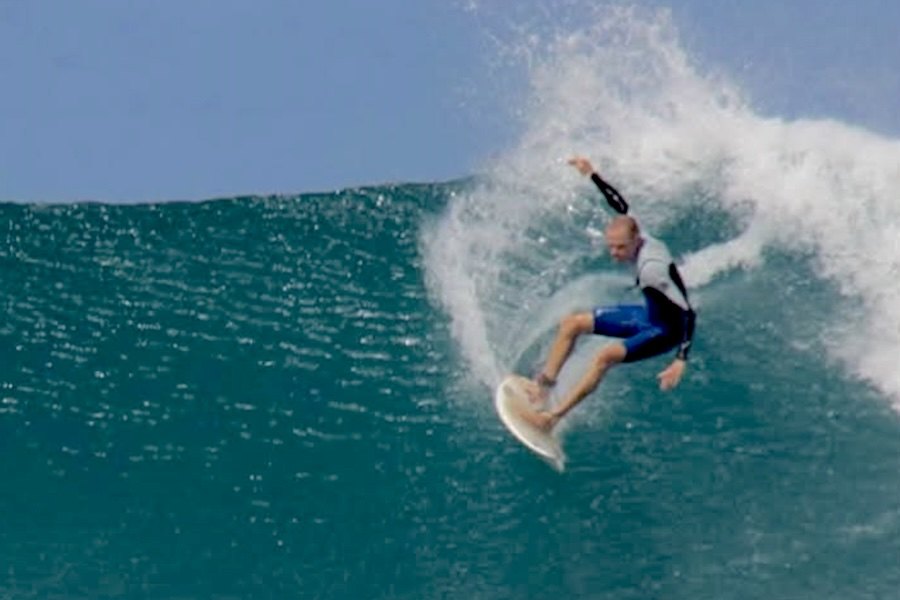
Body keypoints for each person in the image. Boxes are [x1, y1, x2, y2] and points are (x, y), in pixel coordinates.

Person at [522, 156, 696, 431]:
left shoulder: (652, 270)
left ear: (636, 241)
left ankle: (552, 419)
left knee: (604, 357)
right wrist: (591, 174)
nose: (615, 254)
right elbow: (619, 203)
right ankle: (543, 388)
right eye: (611, 247)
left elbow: (688, 310)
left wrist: (680, 359)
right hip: (648, 315)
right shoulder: (638, 230)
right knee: (572, 323)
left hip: (665, 331)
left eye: (620, 248)